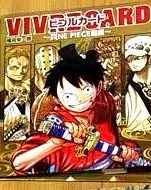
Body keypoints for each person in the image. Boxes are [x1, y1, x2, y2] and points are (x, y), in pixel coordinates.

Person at [12, 44, 140, 174]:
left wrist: (124, 152)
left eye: (87, 90)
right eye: (68, 96)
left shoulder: (105, 102)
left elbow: (115, 141)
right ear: (57, 98)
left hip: (109, 171)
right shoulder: (55, 123)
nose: (80, 99)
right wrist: (54, 143)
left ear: (99, 87)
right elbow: (18, 164)